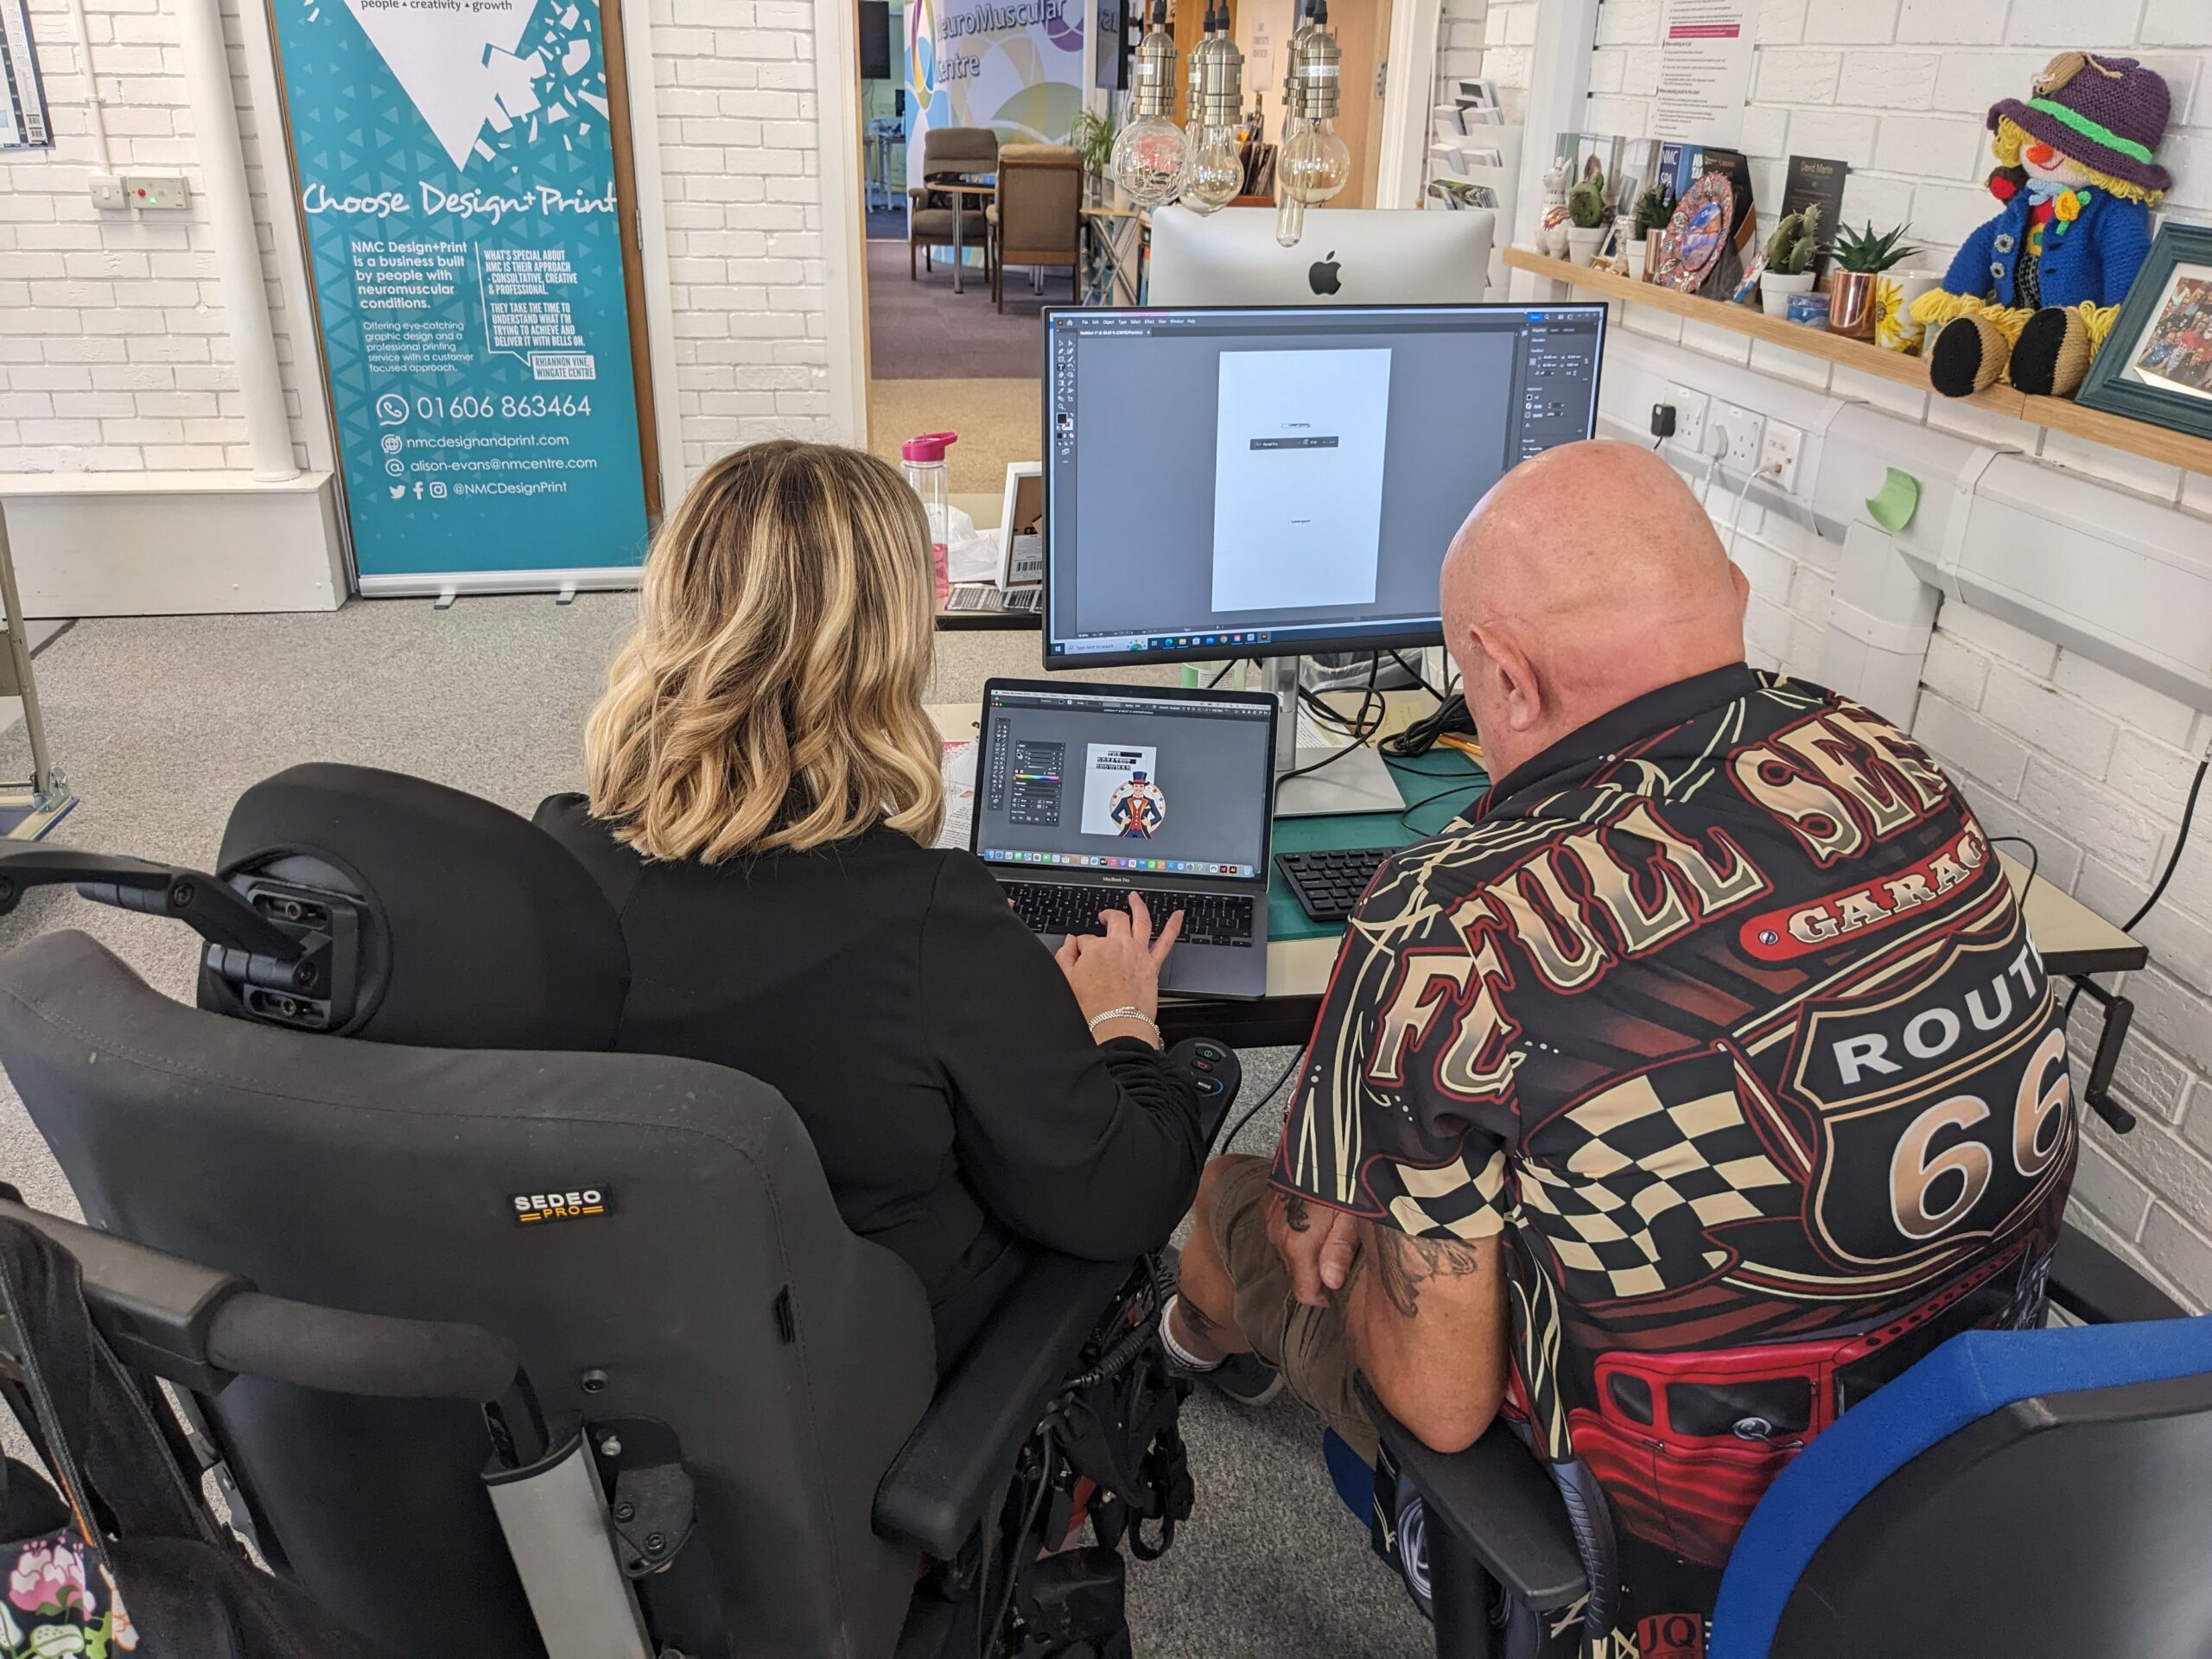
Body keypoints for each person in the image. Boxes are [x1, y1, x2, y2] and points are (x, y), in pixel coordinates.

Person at [1161, 441, 2076, 1653]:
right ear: (1731, 599)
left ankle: (1185, 1343)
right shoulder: (1892, 759)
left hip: (1642, 1589)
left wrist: (1364, 1171)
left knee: (1236, 1202)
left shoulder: (1450, 923)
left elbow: (1439, 1409)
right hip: (1979, 1500)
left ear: (1503, 673)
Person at [538, 440, 1204, 1363]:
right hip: (865, 1362)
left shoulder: (550, 860)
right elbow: (1120, 1200)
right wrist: (1121, 1022)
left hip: (623, 1340)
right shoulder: (928, 918)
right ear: (891, 641)